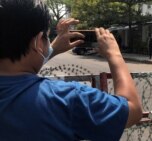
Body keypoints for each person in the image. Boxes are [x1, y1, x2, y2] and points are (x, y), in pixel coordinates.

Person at [0, 0, 142, 141]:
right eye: (47, 37)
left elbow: (18, 70)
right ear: (37, 42)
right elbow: (133, 110)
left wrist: (51, 50)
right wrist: (114, 54)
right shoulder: (67, 98)